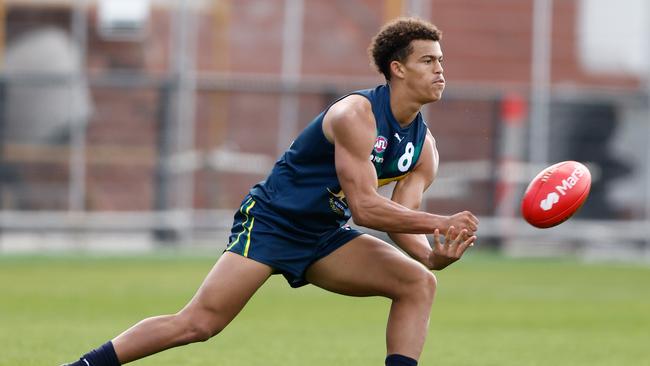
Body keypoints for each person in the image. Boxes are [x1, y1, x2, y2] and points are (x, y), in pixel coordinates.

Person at [61, 17, 479, 366]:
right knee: (198, 324)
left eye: (441, 61)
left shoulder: (424, 149)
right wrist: (441, 221)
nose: (440, 70)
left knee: (419, 282)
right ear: (397, 69)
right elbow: (367, 209)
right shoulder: (356, 114)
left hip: (324, 237)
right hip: (272, 222)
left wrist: (431, 253)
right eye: (427, 61)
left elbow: (400, 219)